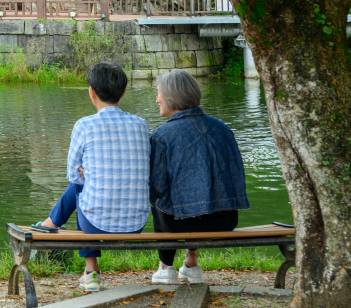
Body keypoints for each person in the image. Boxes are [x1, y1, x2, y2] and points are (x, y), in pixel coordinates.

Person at [31, 62, 150, 293]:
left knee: (80, 189)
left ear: (91, 92)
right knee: (86, 187)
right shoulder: (141, 125)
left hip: (96, 223)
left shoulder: (85, 125)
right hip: (136, 223)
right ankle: (51, 223)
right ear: (123, 93)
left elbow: (72, 174)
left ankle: (90, 270)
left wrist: (89, 174)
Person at [148, 69, 249, 285]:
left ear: (171, 97)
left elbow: (156, 188)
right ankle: (192, 262)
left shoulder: (161, 135)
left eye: (158, 93)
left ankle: (166, 268)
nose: (156, 99)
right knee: (195, 199)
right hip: (226, 220)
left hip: (178, 223)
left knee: (160, 201)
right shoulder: (223, 129)